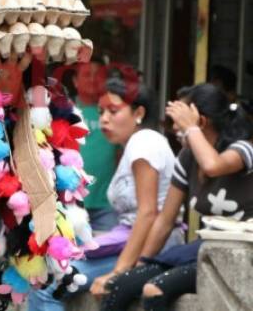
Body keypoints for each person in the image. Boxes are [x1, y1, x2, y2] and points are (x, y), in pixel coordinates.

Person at [29, 77, 181, 310]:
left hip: (152, 247)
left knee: (49, 283)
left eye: (113, 111)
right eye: (101, 112)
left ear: (138, 112)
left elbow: (148, 213)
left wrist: (121, 271)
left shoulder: (144, 142)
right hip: (134, 242)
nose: (104, 119)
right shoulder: (138, 143)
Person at [99, 83, 253, 311]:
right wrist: (141, 264)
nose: (173, 128)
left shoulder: (244, 149)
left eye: (179, 121)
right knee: (122, 285)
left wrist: (191, 129)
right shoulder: (187, 158)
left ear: (201, 121)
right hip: (204, 247)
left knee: (155, 289)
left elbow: (212, 166)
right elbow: (164, 220)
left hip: (241, 250)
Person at [72, 60, 119, 232]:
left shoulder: (116, 112)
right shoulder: (66, 112)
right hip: (71, 203)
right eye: (86, 74)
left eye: (97, 75)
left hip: (106, 205)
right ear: (75, 81)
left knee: (109, 255)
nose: (92, 79)